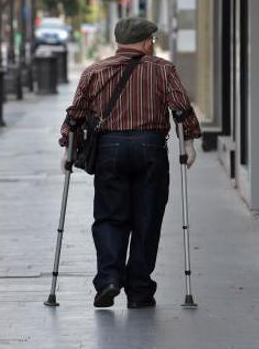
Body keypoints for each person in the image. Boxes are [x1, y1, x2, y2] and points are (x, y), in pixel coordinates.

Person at [59, 18, 201, 309]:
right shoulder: (163, 70)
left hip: (109, 149)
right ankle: (139, 291)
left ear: (118, 41)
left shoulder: (94, 71)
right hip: (151, 148)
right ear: (148, 41)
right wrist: (189, 143)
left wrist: (68, 149)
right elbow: (181, 108)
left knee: (110, 216)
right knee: (147, 219)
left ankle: (109, 279)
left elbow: (76, 114)